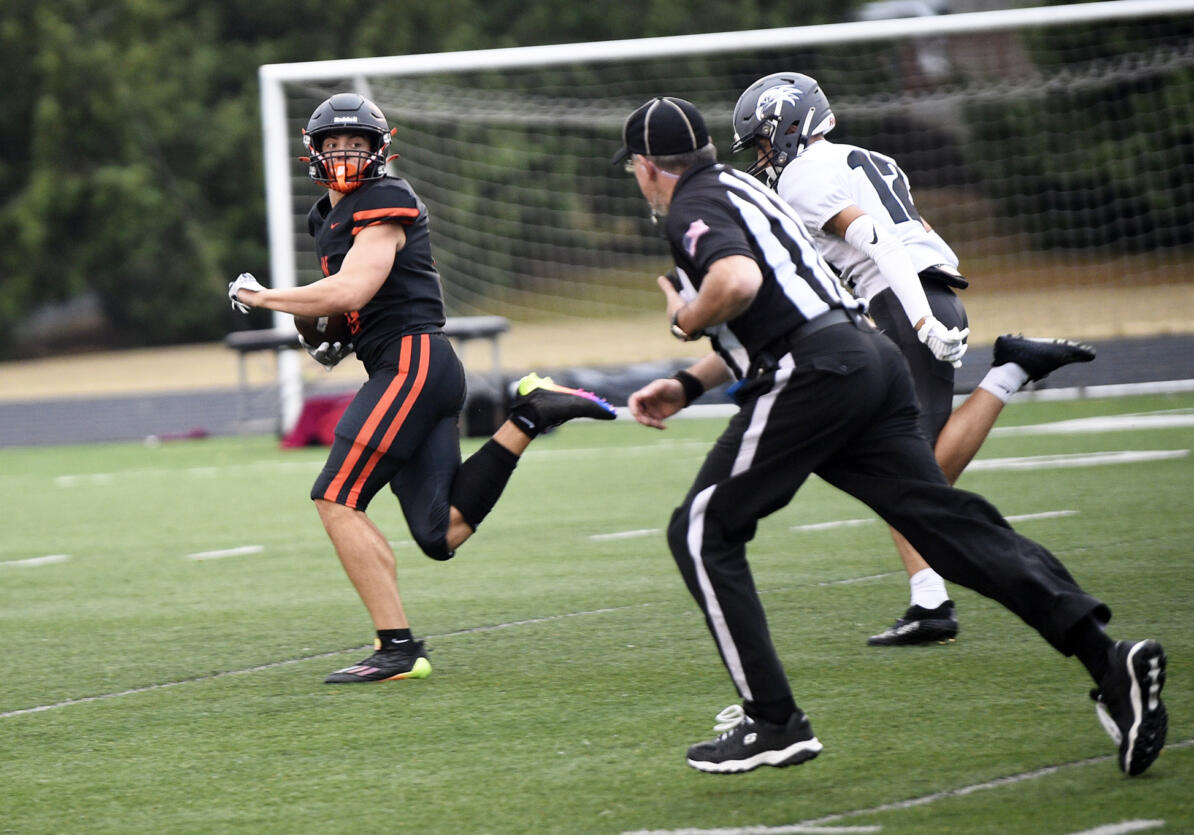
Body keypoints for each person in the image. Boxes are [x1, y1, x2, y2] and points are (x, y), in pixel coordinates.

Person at [614, 96, 1166, 776]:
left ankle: (772, 720)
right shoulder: (743, 191)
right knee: (946, 526)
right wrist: (690, 382)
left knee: (700, 529)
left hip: (818, 372)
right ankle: (1110, 660)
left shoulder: (694, 206)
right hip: (866, 358)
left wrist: (683, 319)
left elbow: (735, 281)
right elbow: (790, 298)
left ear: (646, 167)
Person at [228, 92, 615, 684]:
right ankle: (533, 414)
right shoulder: (322, 216)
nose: (344, 155)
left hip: (412, 361)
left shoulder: (385, 199)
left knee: (335, 496)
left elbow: (353, 291)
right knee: (440, 532)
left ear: (382, 150)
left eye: (357, 144)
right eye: (333, 145)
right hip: (411, 365)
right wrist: (319, 328)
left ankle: (396, 647)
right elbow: (340, 315)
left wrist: (263, 298)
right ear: (313, 152)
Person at [731, 72, 1097, 646]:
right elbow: (913, 231)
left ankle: (1011, 371)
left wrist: (919, 318)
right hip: (917, 295)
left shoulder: (802, 176)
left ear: (788, 127)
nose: (760, 156)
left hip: (908, 303)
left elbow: (875, 237)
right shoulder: (866, 157)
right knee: (899, 463)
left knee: (911, 474)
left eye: (760, 141)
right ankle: (929, 599)